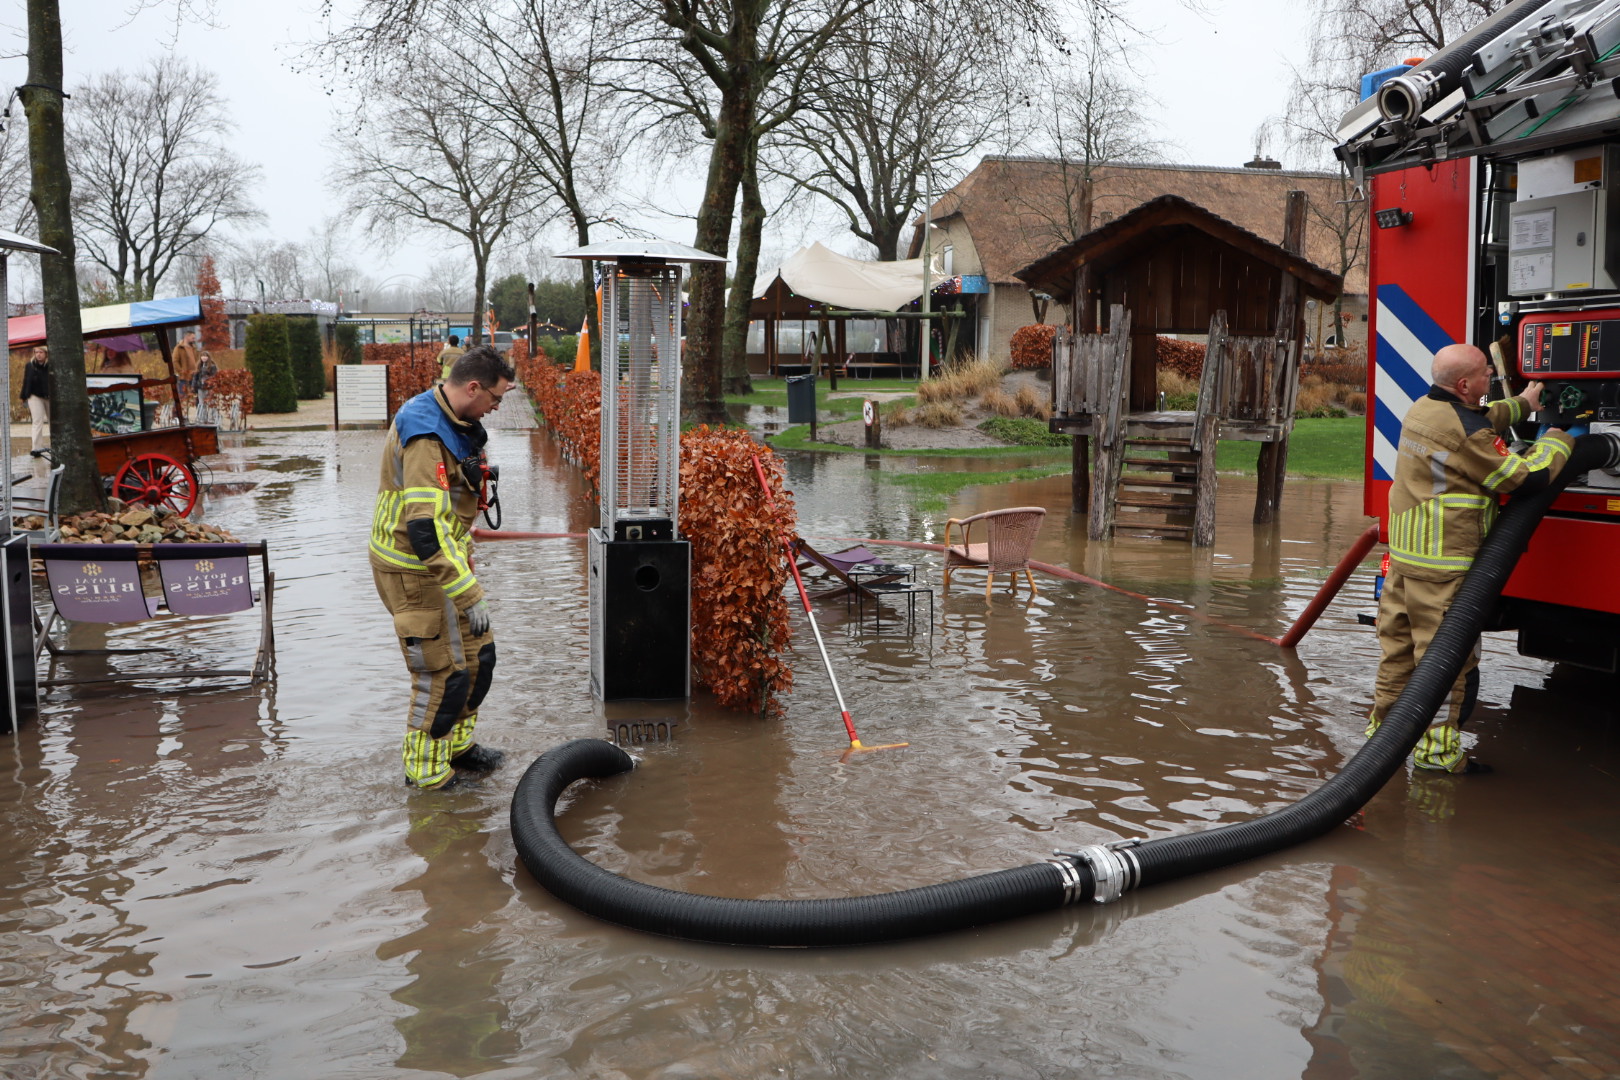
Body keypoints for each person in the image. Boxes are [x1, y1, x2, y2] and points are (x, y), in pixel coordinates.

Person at [1367, 342, 1570, 774]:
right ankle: (1437, 759)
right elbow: (1523, 479)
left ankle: (1379, 740)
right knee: (1446, 662)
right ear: (1465, 384)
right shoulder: (1464, 430)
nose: (1489, 381)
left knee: (1399, 654)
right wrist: (1559, 444)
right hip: (1443, 565)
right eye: (1484, 376)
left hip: (1406, 557)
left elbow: (1476, 420)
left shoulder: (1423, 408)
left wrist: (1522, 405)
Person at [371, 344, 516, 790]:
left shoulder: (454, 418)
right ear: (472, 387)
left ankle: (458, 749)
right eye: (496, 398)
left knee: (479, 659)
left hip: (444, 563)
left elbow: (447, 515)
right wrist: (469, 592)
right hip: (411, 569)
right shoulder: (426, 436)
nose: (497, 408)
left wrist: (465, 557)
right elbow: (425, 531)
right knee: (443, 675)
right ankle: (427, 776)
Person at [20, 346, 50, 480]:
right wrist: (24, 396)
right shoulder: (30, 365)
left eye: (41, 352)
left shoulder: (51, 365)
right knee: (37, 421)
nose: (38, 355)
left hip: (49, 396)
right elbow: (26, 381)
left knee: (53, 421)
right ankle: (36, 448)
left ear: (46, 353)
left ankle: (57, 445)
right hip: (34, 395)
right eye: (36, 352)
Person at [172, 330, 200, 418]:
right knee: (181, 396)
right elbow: (175, 361)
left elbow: (196, 360)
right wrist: (181, 372)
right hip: (184, 377)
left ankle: (199, 414)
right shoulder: (179, 348)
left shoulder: (194, 348)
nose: (194, 339)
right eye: (193, 337)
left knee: (197, 395)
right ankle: (176, 415)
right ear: (186, 337)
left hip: (194, 376)